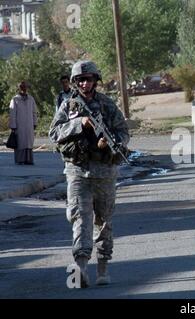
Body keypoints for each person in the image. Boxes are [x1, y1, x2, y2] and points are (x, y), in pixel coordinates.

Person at [49, 61, 129, 288]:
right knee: (79, 219)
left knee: (103, 221)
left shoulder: (106, 104)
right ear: (75, 82)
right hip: (77, 172)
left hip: (104, 173)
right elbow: (53, 133)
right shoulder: (68, 106)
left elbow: (123, 132)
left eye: (89, 79)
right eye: (81, 80)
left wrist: (111, 143)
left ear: (96, 81)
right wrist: (78, 124)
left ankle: (103, 268)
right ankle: (81, 269)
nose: (85, 83)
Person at [9, 81, 38, 165]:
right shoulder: (15, 99)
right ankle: (20, 159)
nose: (24, 89)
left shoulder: (31, 98)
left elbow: (34, 112)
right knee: (20, 142)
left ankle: (28, 160)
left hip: (29, 124)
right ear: (19, 88)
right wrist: (13, 125)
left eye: (25, 87)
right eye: (22, 87)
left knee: (28, 142)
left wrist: (34, 122)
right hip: (19, 125)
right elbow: (12, 113)